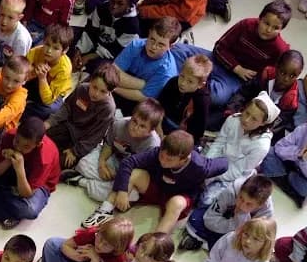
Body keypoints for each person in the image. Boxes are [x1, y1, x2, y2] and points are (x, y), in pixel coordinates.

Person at [83, 129, 228, 233]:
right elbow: (128, 163)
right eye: (162, 156)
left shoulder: (200, 166)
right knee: (134, 173)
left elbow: (224, 164)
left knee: (176, 204)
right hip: (157, 187)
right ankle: (104, 211)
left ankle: (157, 241)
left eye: (169, 159)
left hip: (179, 196)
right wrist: (122, 191)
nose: (163, 160)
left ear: (184, 159)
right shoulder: (157, 152)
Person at [0, 116, 60, 229]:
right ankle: (7, 198)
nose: (19, 148)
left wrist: (20, 169)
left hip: (39, 184)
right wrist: (8, 160)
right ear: (16, 132)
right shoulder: (10, 135)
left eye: (26, 146)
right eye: (17, 141)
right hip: (13, 169)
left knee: (31, 210)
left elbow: (27, 194)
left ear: (38, 144)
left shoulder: (44, 157)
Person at [204, 0, 292, 109]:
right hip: (218, 61)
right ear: (260, 18)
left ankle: (194, 83)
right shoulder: (246, 24)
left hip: (236, 79)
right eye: (266, 23)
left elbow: (269, 76)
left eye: (275, 28)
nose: (268, 30)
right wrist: (237, 68)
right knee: (180, 50)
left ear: (281, 29)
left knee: (216, 96)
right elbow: (219, 48)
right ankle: (194, 80)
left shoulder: (280, 49)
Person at [71, 98, 163, 202]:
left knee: (132, 195)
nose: (135, 127)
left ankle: (81, 181)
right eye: (134, 121)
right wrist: (102, 164)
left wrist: (118, 176)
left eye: (142, 126)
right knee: (83, 164)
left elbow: (141, 173)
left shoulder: (153, 146)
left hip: (130, 173)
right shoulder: (119, 124)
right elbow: (108, 145)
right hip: (115, 158)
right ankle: (98, 183)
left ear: (151, 130)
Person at [201, 93, 279, 205]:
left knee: (206, 200)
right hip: (217, 162)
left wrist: (211, 175)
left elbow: (238, 171)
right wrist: (207, 165)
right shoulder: (233, 120)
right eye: (247, 113)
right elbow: (219, 143)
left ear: (262, 123)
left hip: (232, 176)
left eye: (254, 119)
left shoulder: (261, 146)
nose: (246, 120)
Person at [47, 62, 119, 174]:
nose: (96, 93)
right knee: (40, 139)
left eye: (103, 91)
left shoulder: (108, 109)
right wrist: (50, 122)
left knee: (56, 164)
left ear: (111, 92)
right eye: (94, 87)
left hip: (81, 142)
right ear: (90, 81)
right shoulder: (81, 89)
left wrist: (75, 152)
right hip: (67, 128)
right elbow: (67, 107)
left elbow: (95, 137)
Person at [180, 174, 273, 252]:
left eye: (249, 204)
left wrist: (241, 221)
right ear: (240, 190)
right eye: (241, 198)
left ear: (260, 205)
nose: (242, 206)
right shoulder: (231, 191)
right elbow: (210, 219)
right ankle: (211, 245)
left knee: (243, 248)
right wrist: (234, 224)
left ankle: (202, 242)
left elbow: (255, 239)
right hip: (224, 221)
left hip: (240, 234)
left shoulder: (266, 212)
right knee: (196, 218)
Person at [225, 49, 303, 142]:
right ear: (277, 67)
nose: (286, 79)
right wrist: (233, 111)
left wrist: (256, 131)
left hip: (260, 131)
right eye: (283, 73)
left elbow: (277, 125)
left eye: (292, 76)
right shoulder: (264, 76)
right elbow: (242, 93)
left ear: (298, 75)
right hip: (244, 116)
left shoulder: (291, 101)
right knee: (217, 121)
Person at [112, 16, 180, 115]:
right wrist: (143, 84)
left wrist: (113, 87)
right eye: (152, 39)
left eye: (161, 44)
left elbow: (142, 97)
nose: (153, 47)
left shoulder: (167, 71)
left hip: (142, 102)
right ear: (148, 33)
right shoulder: (136, 44)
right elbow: (113, 71)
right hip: (127, 86)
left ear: (170, 46)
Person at [72, 0, 139, 73]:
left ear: (129, 6)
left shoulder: (132, 25)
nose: (114, 6)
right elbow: (90, 31)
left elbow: (115, 50)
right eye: (112, 1)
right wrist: (78, 51)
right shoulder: (102, 8)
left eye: (120, 4)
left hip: (111, 53)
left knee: (102, 68)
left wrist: (88, 57)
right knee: (70, 35)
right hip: (97, 42)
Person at [22, 23, 74, 120]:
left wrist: (42, 78)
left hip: (53, 93)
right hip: (35, 81)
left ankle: (23, 109)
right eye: (47, 44)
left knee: (51, 110)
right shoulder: (36, 51)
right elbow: (21, 71)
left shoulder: (65, 69)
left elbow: (48, 100)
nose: (49, 51)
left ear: (65, 50)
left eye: (55, 48)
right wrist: (33, 70)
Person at [157, 53, 212, 142]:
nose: (183, 83)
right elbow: (159, 106)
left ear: (200, 85)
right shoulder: (174, 82)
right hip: (163, 120)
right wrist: (158, 127)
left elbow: (197, 132)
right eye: (182, 76)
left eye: (190, 81)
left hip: (182, 132)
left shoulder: (202, 100)